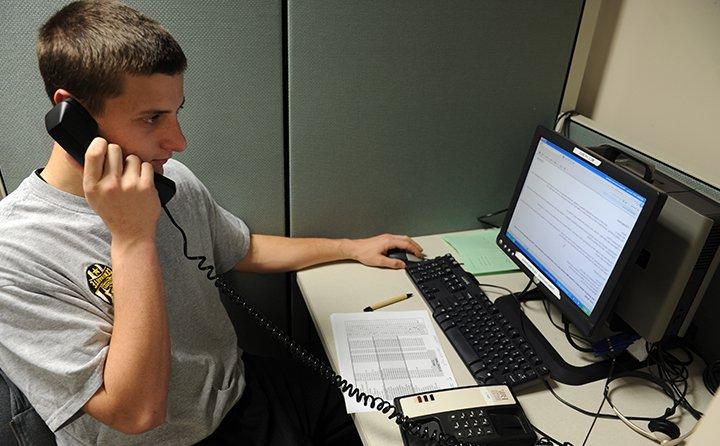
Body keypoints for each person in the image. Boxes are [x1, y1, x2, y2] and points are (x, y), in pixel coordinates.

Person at [0, 1, 425, 445]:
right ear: (74, 116)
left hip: (239, 391)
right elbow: (135, 411)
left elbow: (242, 248)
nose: (178, 141)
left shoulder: (167, 178)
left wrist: (350, 248)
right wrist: (131, 239)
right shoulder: (14, 254)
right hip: (172, 438)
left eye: (175, 111)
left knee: (396, 420)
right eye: (151, 118)